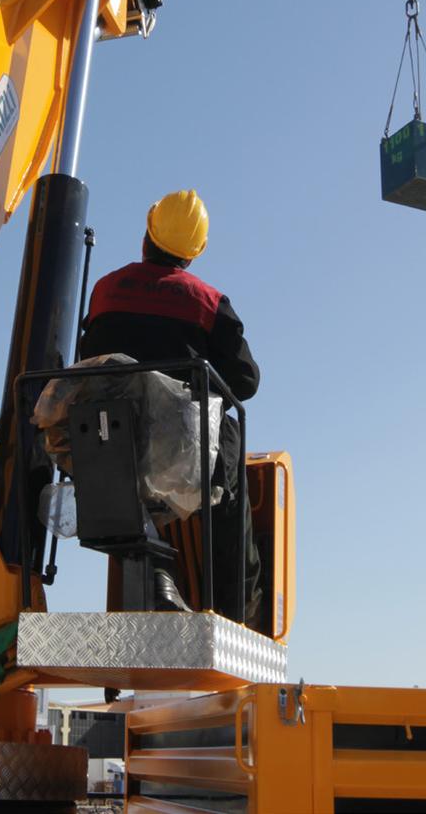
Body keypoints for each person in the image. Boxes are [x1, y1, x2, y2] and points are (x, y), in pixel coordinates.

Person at [79, 189, 262, 625]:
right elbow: (246, 382)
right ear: (194, 254)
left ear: (148, 235)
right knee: (228, 468)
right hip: (183, 452)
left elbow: (90, 356)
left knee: (125, 468)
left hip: (106, 446)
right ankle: (236, 611)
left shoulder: (105, 290)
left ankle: (157, 573)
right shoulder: (209, 302)